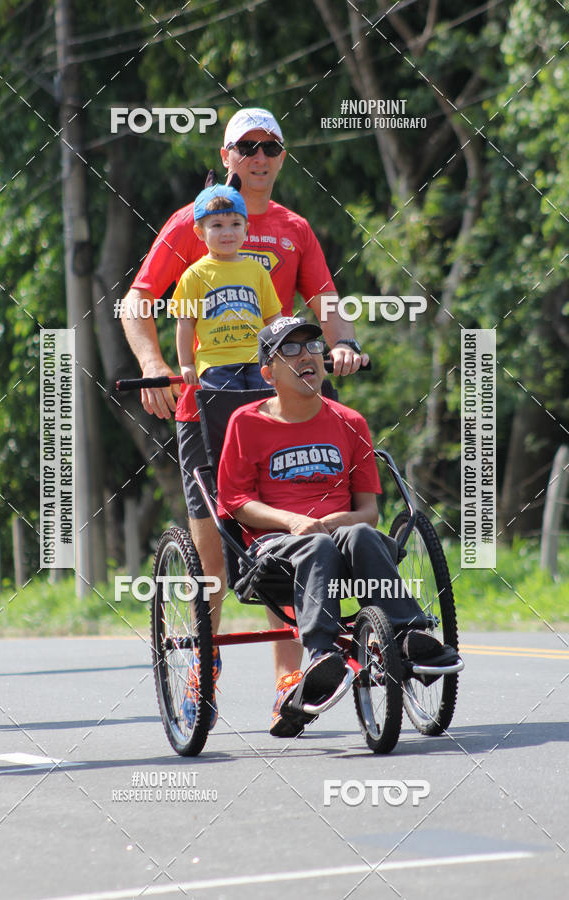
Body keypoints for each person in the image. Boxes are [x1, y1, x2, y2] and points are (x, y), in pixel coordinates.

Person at [121, 106, 368, 729]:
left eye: (272, 148)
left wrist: (340, 344)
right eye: (247, 148)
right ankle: (204, 668)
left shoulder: (295, 228)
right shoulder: (194, 220)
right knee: (214, 550)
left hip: (273, 401)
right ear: (227, 154)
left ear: (283, 157)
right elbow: (138, 301)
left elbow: (328, 304)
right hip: (202, 400)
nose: (260, 159)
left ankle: (294, 677)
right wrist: (154, 364)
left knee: (287, 530)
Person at [217, 317, 460, 736]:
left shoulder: (350, 421)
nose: (306, 354)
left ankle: (409, 635)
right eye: (289, 350)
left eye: (312, 345)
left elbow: (368, 512)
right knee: (317, 546)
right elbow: (235, 503)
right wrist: (293, 521)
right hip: (276, 548)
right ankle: (319, 657)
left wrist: (338, 520)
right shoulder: (246, 422)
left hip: (345, 540)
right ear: (268, 372)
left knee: (359, 534)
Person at [175, 179, 281, 390]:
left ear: (246, 229)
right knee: (226, 414)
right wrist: (186, 363)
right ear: (199, 232)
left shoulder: (257, 270)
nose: (227, 232)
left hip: (258, 360)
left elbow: (273, 318)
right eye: (217, 225)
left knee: (264, 413)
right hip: (215, 363)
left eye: (235, 224)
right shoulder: (194, 275)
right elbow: (185, 324)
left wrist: (281, 353)